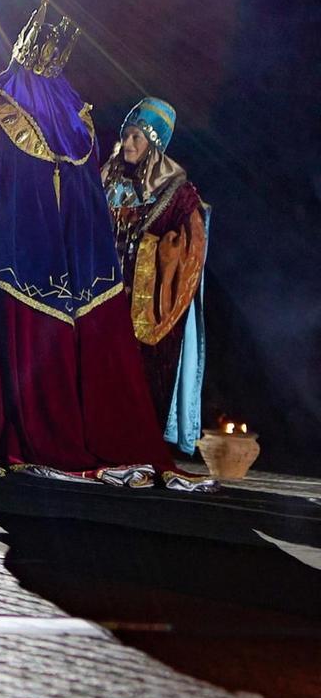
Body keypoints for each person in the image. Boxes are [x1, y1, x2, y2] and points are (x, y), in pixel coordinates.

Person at [0, 1, 209, 490]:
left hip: (13, 261)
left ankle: (16, 434)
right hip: (81, 278)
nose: (132, 142)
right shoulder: (78, 120)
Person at [101, 97, 209, 457]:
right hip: (103, 295)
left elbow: (192, 248)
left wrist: (158, 251)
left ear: (155, 144)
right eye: (126, 136)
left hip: (146, 306)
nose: (128, 144)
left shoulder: (177, 193)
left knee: (139, 376)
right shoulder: (107, 177)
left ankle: (134, 447)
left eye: (137, 138)